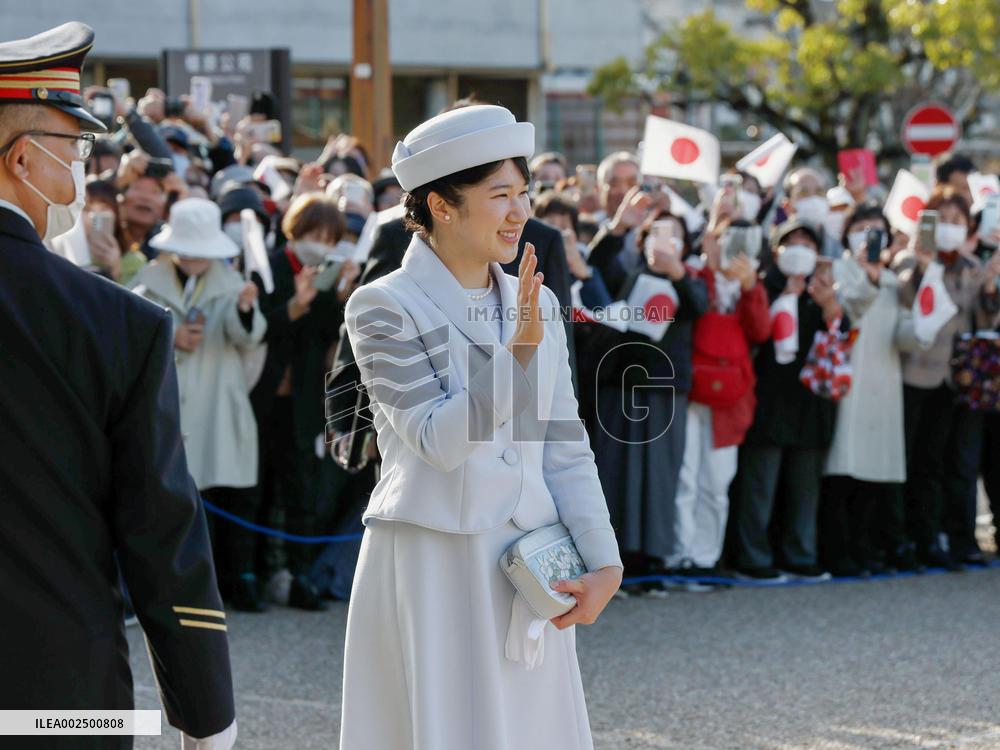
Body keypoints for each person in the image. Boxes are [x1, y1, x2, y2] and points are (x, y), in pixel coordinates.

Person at [339, 104, 623, 750]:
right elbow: (438, 439)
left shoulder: (538, 300)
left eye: (524, 193)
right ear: (442, 205)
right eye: (500, 195)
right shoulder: (381, 306)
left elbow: (563, 443)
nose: (521, 212)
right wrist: (517, 354)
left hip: (533, 564)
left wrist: (604, 562)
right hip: (435, 563)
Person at [0, 22, 235, 749]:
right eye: (72, 152)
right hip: (57, 696)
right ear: (23, 160)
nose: (77, 176)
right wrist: (205, 713)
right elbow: (161, 534)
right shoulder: (118, 322)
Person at [130, 198, 267, 611]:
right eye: (186, 248)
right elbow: (129, 334)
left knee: (227, 496)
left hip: (219, 402)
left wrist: (244, 307)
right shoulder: (146, 283)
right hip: (168, 402)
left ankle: (233, 582)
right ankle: (178, 588)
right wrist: (170, 337)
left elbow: (248, 335)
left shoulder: (232, 283)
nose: (193, 258)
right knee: (175, 498)